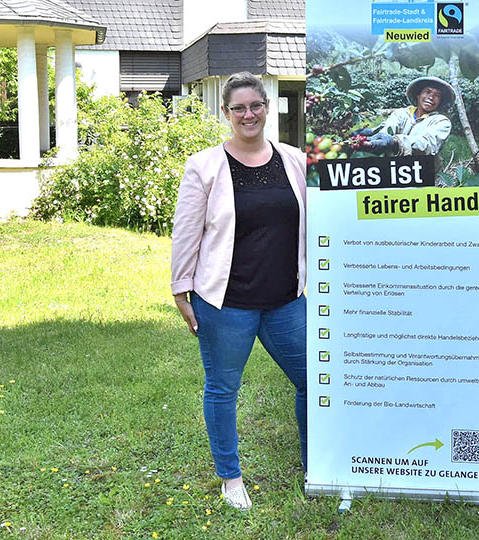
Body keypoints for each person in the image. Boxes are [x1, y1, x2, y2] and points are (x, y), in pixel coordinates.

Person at [170, 72, 307, 511]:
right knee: (223, 388)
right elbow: (186, 232)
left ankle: (316, 465)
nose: (248, 114)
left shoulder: (295, 160)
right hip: (225, 304)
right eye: (239, 108)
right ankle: (231, 478)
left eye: (256, 105)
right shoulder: (205, 166)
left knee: (315, 381)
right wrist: (180, 289)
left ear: (268, 107)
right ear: (226, 113)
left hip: (287, 300)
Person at [358, 76, 453, 161]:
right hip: (396, 167)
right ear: (418, 94)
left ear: (440, 101)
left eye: (437, 95)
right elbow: (388, 128)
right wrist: (371, 133)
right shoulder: (401, 113)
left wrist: (395, 141)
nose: (431, 97)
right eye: (427, 92)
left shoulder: (442, 122)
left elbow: (428, 145)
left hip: (421, 170)